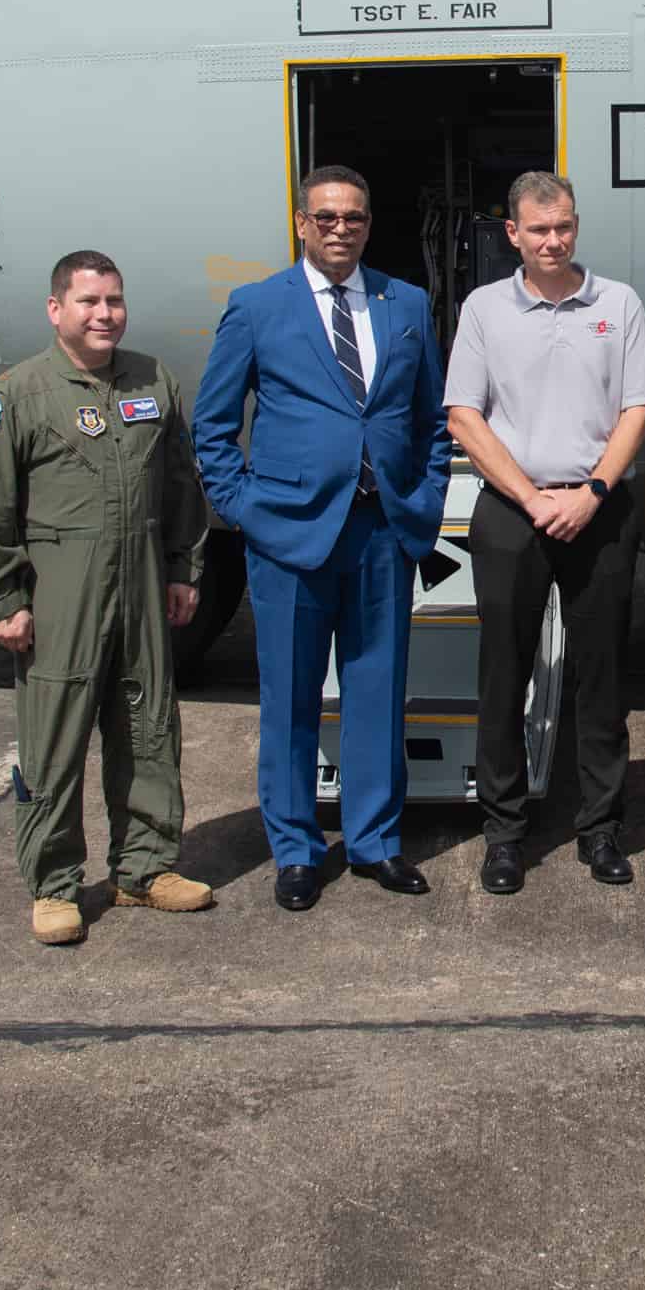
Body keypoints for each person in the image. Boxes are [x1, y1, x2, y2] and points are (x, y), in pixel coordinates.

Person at [192, 165, 452, 911]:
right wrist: (244, 508)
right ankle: (298, 849)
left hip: (380, 533)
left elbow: (433, 419)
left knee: (377, 694)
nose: (341, 228)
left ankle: (374, 841)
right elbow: (212, 425)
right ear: (302, 223)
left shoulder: (404, 302)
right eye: (327, 217)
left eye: (355, 217)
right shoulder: (256, 306)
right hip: (290, 536)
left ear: (370, 224)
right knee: (292, 700)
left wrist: (424, 498)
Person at [0, 251, 212, 945]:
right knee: (55, 740)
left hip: (139, 587)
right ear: (56, 310)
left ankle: (145, 867)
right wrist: (4, 595)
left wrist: (183, 568)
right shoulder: (18, 394)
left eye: (115, 301)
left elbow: (182, 483)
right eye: (89, 301)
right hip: (60, 590)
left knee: (149, 726)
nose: (105, 314)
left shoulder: (152, 380)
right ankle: (53, 882)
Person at [444, 172, 645, 893]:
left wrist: (594, 491)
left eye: (564, 226)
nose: (553, 240)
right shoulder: (483, 309)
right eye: (538, 229)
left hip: (598, 510)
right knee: (503, 675)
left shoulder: (619, 303)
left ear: (576, 226)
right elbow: (464, 417)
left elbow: (638, 408)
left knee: (600, 676)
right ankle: (505, 832)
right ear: (512, 233)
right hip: (513, 513)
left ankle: (600, 827)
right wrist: (532, 496)